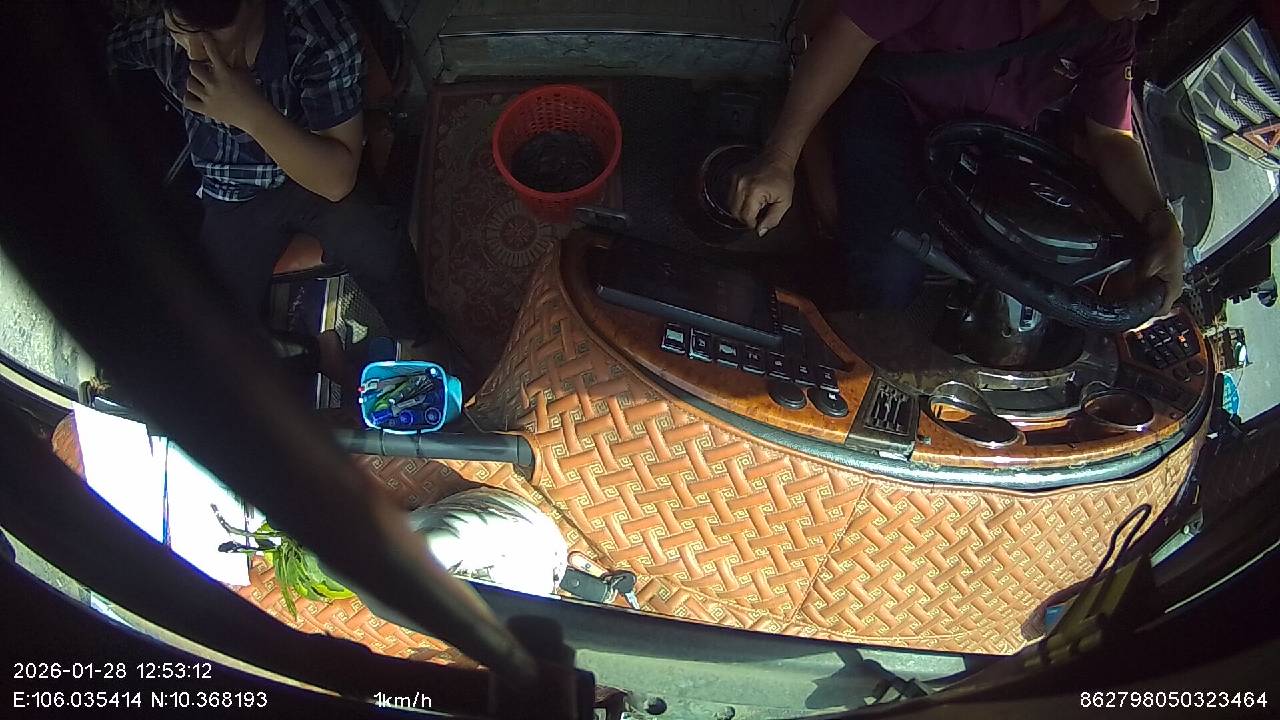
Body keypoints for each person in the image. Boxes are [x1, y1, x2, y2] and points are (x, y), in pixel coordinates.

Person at [731, 0, 1185, 314]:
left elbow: (1111, 138)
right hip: (895, 106)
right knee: (888, 275)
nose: (1153, 8)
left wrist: (1161, 222)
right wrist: (780, 158)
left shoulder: (1110, 30)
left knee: (1032, 282)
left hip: (987, 147)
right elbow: (849, 35)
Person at [107, 0, 460, 372]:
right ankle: (316, 352)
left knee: (376, 242)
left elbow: (336, 179)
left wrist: (249, 112)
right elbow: (102, 51)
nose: (197, 54)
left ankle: (420, 338)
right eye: (182, 33)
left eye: (215, 33)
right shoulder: (162, 38)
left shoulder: (312, 29)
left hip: (312, 172)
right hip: (233, 194)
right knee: (207, 337)